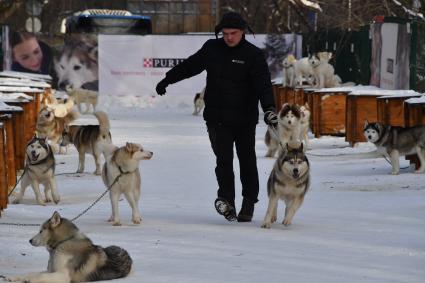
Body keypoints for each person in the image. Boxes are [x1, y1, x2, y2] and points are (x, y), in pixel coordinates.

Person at [155, 12, 278, 222]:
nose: (229, 37)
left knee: (247, 160)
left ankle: (249, 202)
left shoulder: (253, 55)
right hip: (216, 117)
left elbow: (263, 85)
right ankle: (227, 201)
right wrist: (167, 80)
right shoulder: (212, 48)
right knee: (223, 161)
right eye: (225, 33)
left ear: (243, 32)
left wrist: (268, 108)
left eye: (234, 33)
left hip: (244, 118)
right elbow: (189, 66)